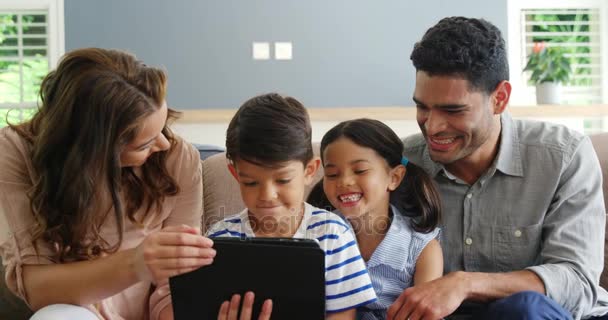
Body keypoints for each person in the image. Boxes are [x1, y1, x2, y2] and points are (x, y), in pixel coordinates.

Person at [393, 16, 608, 320]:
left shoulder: (564, 156)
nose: (433, 126)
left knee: (524, 308)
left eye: (453, 110)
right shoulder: (399, 166)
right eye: (422, 107)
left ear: (500, 99)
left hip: (545, 316)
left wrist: (464, 284)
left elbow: (577, 282)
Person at [0, 48, 216, 320]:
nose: (163, 144)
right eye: (145, 143)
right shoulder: (16, 151)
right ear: (94, 150)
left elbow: (179, 281)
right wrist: (135, 264)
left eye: (162, 127)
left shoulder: (177, 157)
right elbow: (38, 289)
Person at [206, 93, 378, 319]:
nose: (267, 195)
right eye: (251, 182)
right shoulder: (218, 239)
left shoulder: (332, 235)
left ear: (309, 171)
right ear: (235, 175)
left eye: (283, 180)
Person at [309, 118, 443, 319]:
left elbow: (425, 313)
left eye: (360, 170)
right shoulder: (314, 236)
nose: (344, 182)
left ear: (394, 178)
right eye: (332, 174)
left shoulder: (423, 248)